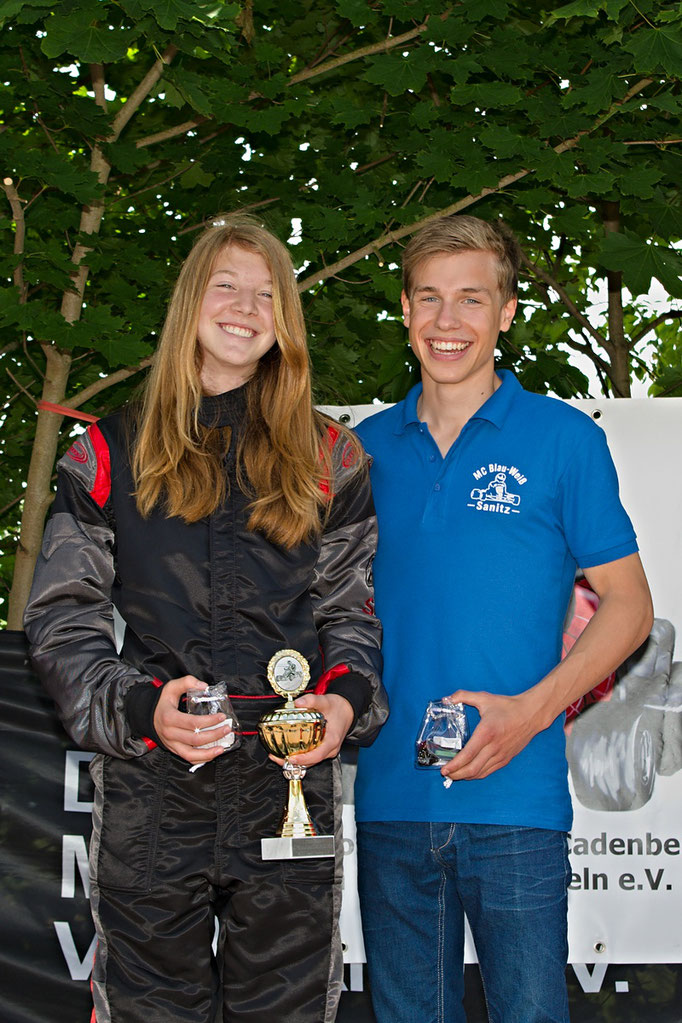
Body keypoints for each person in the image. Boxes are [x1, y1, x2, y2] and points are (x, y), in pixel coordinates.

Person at [24, 214, 387, 1023]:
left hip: (293, 781)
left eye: (267, 294)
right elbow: (62, 619)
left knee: (288, 1010)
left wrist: (341, 700)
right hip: (156, 777)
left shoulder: (332, 456)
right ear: (191, 301)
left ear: (284, 322)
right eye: (226, 284)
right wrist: (138, 706)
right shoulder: (107, 451)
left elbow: (350, 614)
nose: (245, 305)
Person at [353, 214, 653, 1023]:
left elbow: (630, 607)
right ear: (406, 311)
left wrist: (531, 713)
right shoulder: (359, 451)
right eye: (429, 299)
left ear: (507, 312)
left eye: (471, 300)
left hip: (515, 802)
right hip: (388, 799)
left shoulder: (561, 439)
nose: (447, 322)